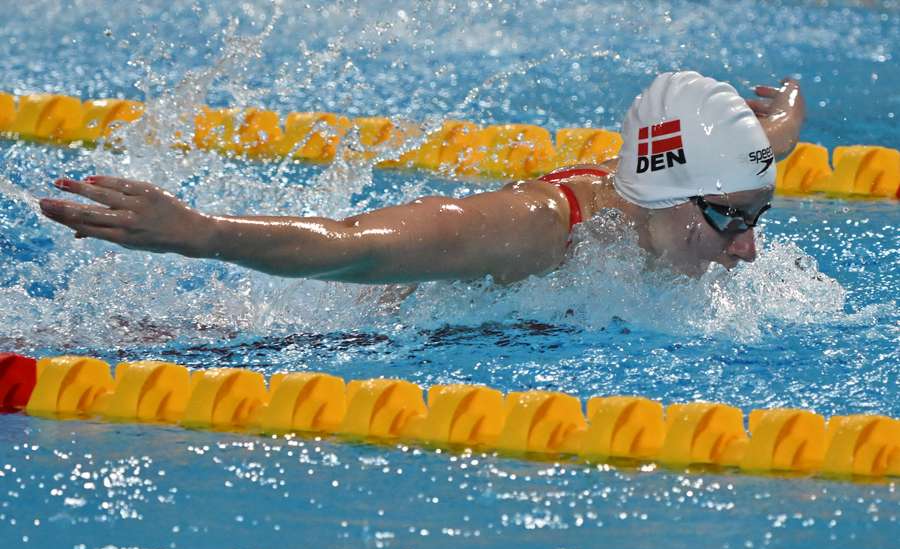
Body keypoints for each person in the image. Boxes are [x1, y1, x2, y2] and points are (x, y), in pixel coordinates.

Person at [39, 71, 805, 282]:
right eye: (733, 222)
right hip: (343, 333)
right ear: (666, 195)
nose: (747, 250)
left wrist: (786, 116)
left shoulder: (700, 185)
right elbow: (357, 247)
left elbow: (758, 149)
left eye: (754, 218)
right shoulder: (541, 230)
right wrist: (201, 235)